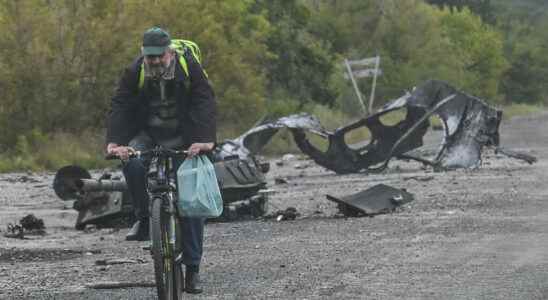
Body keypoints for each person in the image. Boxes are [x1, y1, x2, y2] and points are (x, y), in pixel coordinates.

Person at [106, 27, 216, 294]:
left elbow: (205, 101)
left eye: (158, 56)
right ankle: (145, 218)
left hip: (185, 135)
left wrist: (204, 140)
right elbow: (120, 104)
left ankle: (192, 270)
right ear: (143, 55)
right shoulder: (135, 71)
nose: (154, 61)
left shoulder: (189, 66)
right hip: (148, 132)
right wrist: (116, 143)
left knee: (190, 204)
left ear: (170, 53)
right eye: (149, 57)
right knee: (132, 163)